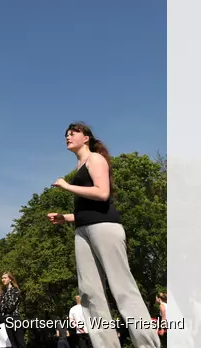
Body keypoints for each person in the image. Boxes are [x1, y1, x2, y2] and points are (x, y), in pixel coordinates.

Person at [47, 122, 161, 348]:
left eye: (73, 133)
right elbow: (87, 210)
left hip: (105, 227)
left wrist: (67, 186)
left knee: (122, 287)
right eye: (66, 134)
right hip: (82, 230)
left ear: (86, 138)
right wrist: (67, 217)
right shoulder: (80, 165)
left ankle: (148, 344)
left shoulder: (95, 160)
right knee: (89, 293)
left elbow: (102, 193)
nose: (68, 136)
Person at [0, 273, 24, 348]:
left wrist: (4, 306)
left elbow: (11, 306)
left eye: (5, 278)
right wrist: (4, 306)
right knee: (13, 344)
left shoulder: (15, 291)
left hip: (15, 318)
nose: (3, 280)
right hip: (6, 319)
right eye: (2, 278)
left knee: (20, 342)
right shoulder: (3, 293)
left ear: (10, 279)